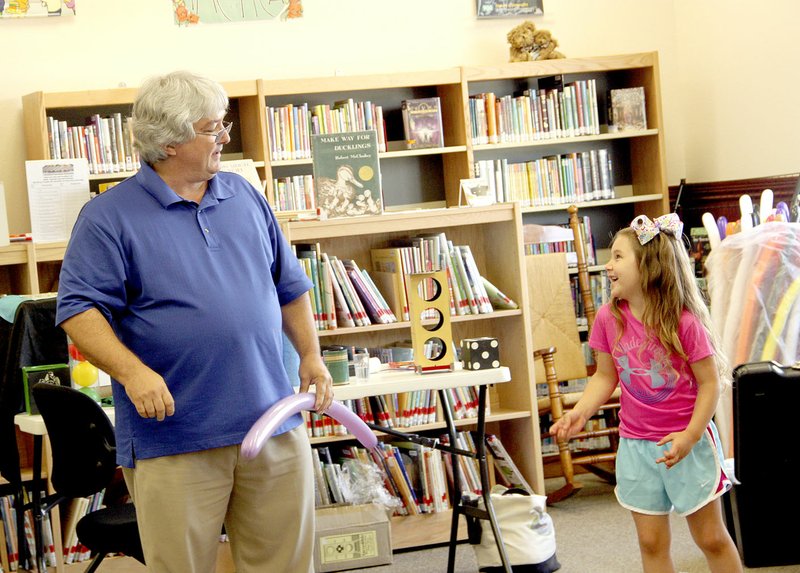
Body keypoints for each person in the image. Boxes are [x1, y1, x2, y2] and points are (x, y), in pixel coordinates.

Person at [56, 70, 333, 573]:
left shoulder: (245, 195)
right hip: (176, 436)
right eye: (212, 128)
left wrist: (311, 356)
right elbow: (78, 310)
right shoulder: (107, 217)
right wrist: (133, 374)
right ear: (170, 140)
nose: (226, 137)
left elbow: (290, 287)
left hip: (272, 421)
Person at [551, 213, 742, 573]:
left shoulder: (683, 321)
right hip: (636, 447)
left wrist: (691, 435)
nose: (608, 265)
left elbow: (710, 383)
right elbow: (604, 377)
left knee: (711, 538)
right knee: (651, 542)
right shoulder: (609, 318)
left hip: (687, 445)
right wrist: (581, 412)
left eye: (618, 257)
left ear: (649, 266)